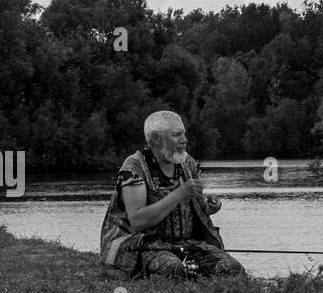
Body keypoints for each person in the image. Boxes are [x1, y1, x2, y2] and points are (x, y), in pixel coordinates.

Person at [100, 110, 245, 278]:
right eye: (177, 135)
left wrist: (209, 207)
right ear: (155, 139)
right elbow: (138, 221)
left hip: (185, 244)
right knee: (173, 270)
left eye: (184, 133)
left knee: (232, 269)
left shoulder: (187, 161)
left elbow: (194, 209)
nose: (184, 140)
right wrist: (180, 193)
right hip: (138, 245)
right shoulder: (134, 167)